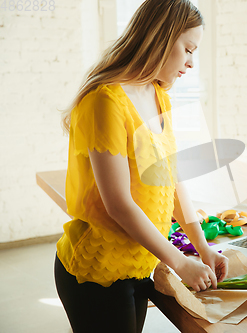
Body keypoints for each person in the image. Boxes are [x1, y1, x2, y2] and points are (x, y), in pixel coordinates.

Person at [55, 1, 229, 332]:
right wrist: (179, 262)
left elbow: (171, 178)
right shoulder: (104, 101)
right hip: (98, 272)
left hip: (138, 265)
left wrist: (203, 248)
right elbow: (118, 204)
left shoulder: (158, 94)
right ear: (161, 38)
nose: (192, 62)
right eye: (188, 49)